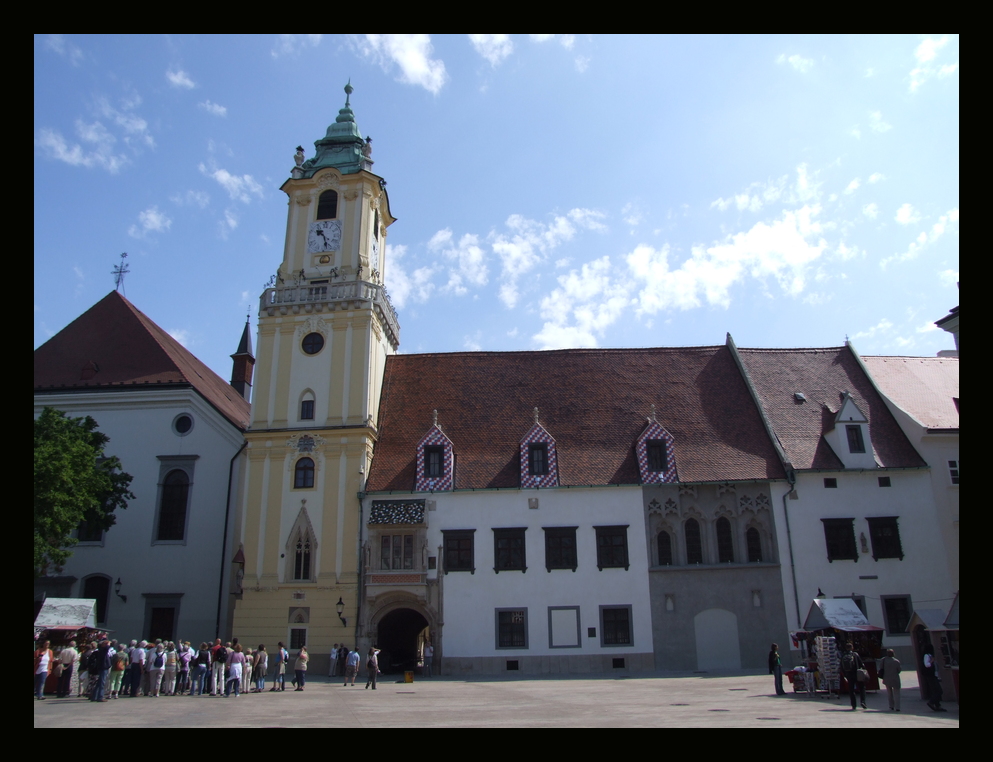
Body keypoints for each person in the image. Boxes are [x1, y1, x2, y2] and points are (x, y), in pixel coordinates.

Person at [840, 642, 867, 710]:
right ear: (852, 648)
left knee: (851, 690)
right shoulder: (855, 654)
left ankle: (853, 704)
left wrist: (845, 674)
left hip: (849, 675)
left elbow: (841, 666)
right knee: (862, 688)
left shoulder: (843, 655)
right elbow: (862, 664)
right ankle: (863, 702)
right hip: (857, 674)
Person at [922, 644, 947, 711]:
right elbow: (927, 665)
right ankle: (931, 702)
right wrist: (932, 661)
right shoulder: (927, 655)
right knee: (939, 691)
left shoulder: (930, 655)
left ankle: (937, 705)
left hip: (933, 675)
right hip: (931, 676)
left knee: (935, 691)